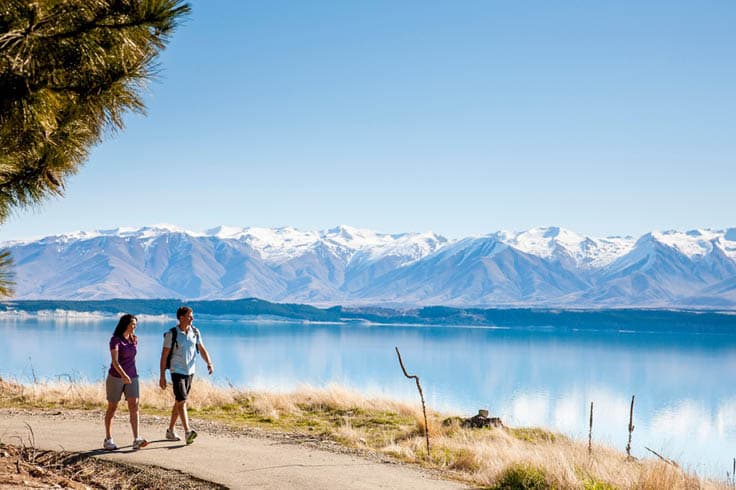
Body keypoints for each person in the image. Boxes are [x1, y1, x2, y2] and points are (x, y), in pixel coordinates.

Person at [159, 306, 214, 445]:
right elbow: (164, 355)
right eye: (190, 316)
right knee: (182, 400)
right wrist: (162, 376)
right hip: (176, 371)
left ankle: (170, 430)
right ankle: (188, 431)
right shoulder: (172, 334)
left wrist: (209, 362)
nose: (192, 318)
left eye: (192, 315)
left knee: (178, 401)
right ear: (181, 317)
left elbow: (201, 349)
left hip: (190, 372)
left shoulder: (195, 332)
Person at [104, 314, 148, 451]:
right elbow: (115, 361)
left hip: (132, 377)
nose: (135, 327)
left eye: (135, 324)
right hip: (116, 377)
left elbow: (133, 358)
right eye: (133, 324)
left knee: (134, 406)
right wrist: (123, 375)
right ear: (126, 325)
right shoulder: (115, 340)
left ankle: (136, 439)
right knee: (112, 407)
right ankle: (108, 439)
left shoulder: (134, 339)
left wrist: (131, 374)